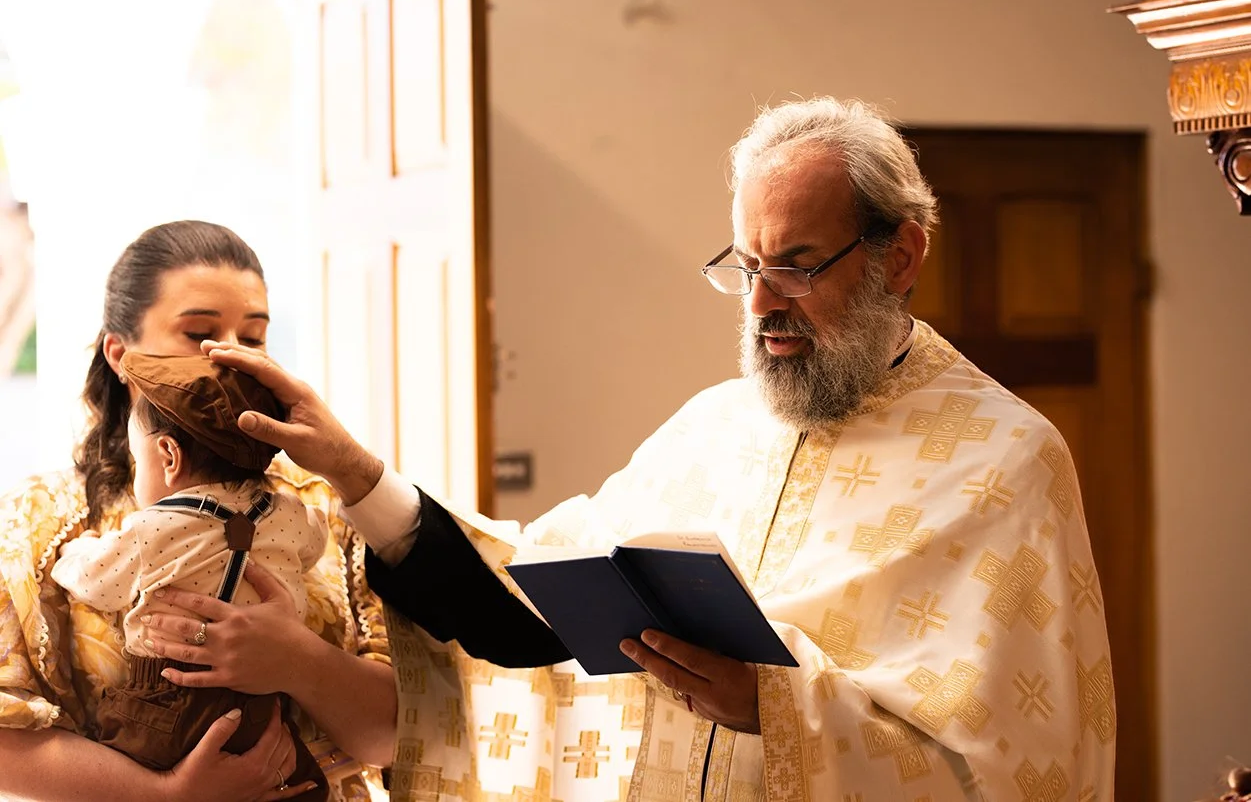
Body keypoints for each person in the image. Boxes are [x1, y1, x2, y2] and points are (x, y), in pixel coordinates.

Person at [204, 98, 1117, 799]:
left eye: (795, 263)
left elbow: (1017, 767)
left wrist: (774, 706)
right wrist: (360, 475)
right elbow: (528, 601)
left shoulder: (1004, 461)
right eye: (746, 267)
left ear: (901, 256)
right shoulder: (714, 427)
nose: (760, 304)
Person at [0, 220, 395, 802]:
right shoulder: (37, 521)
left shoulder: (319, 504)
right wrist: (164, 793)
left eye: (253, 337)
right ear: (121, 354)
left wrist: (298, 661)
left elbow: (395, 736)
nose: (231, 356)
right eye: (199, 333)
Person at [50, 351, 330, 800]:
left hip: (167, 704)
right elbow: (314, 544)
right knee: (301, 784)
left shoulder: (151, 528)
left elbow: (95, 580)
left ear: (168, 455)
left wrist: (74, 549)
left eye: (138, 464)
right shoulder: (292, 513)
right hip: (261, 708)